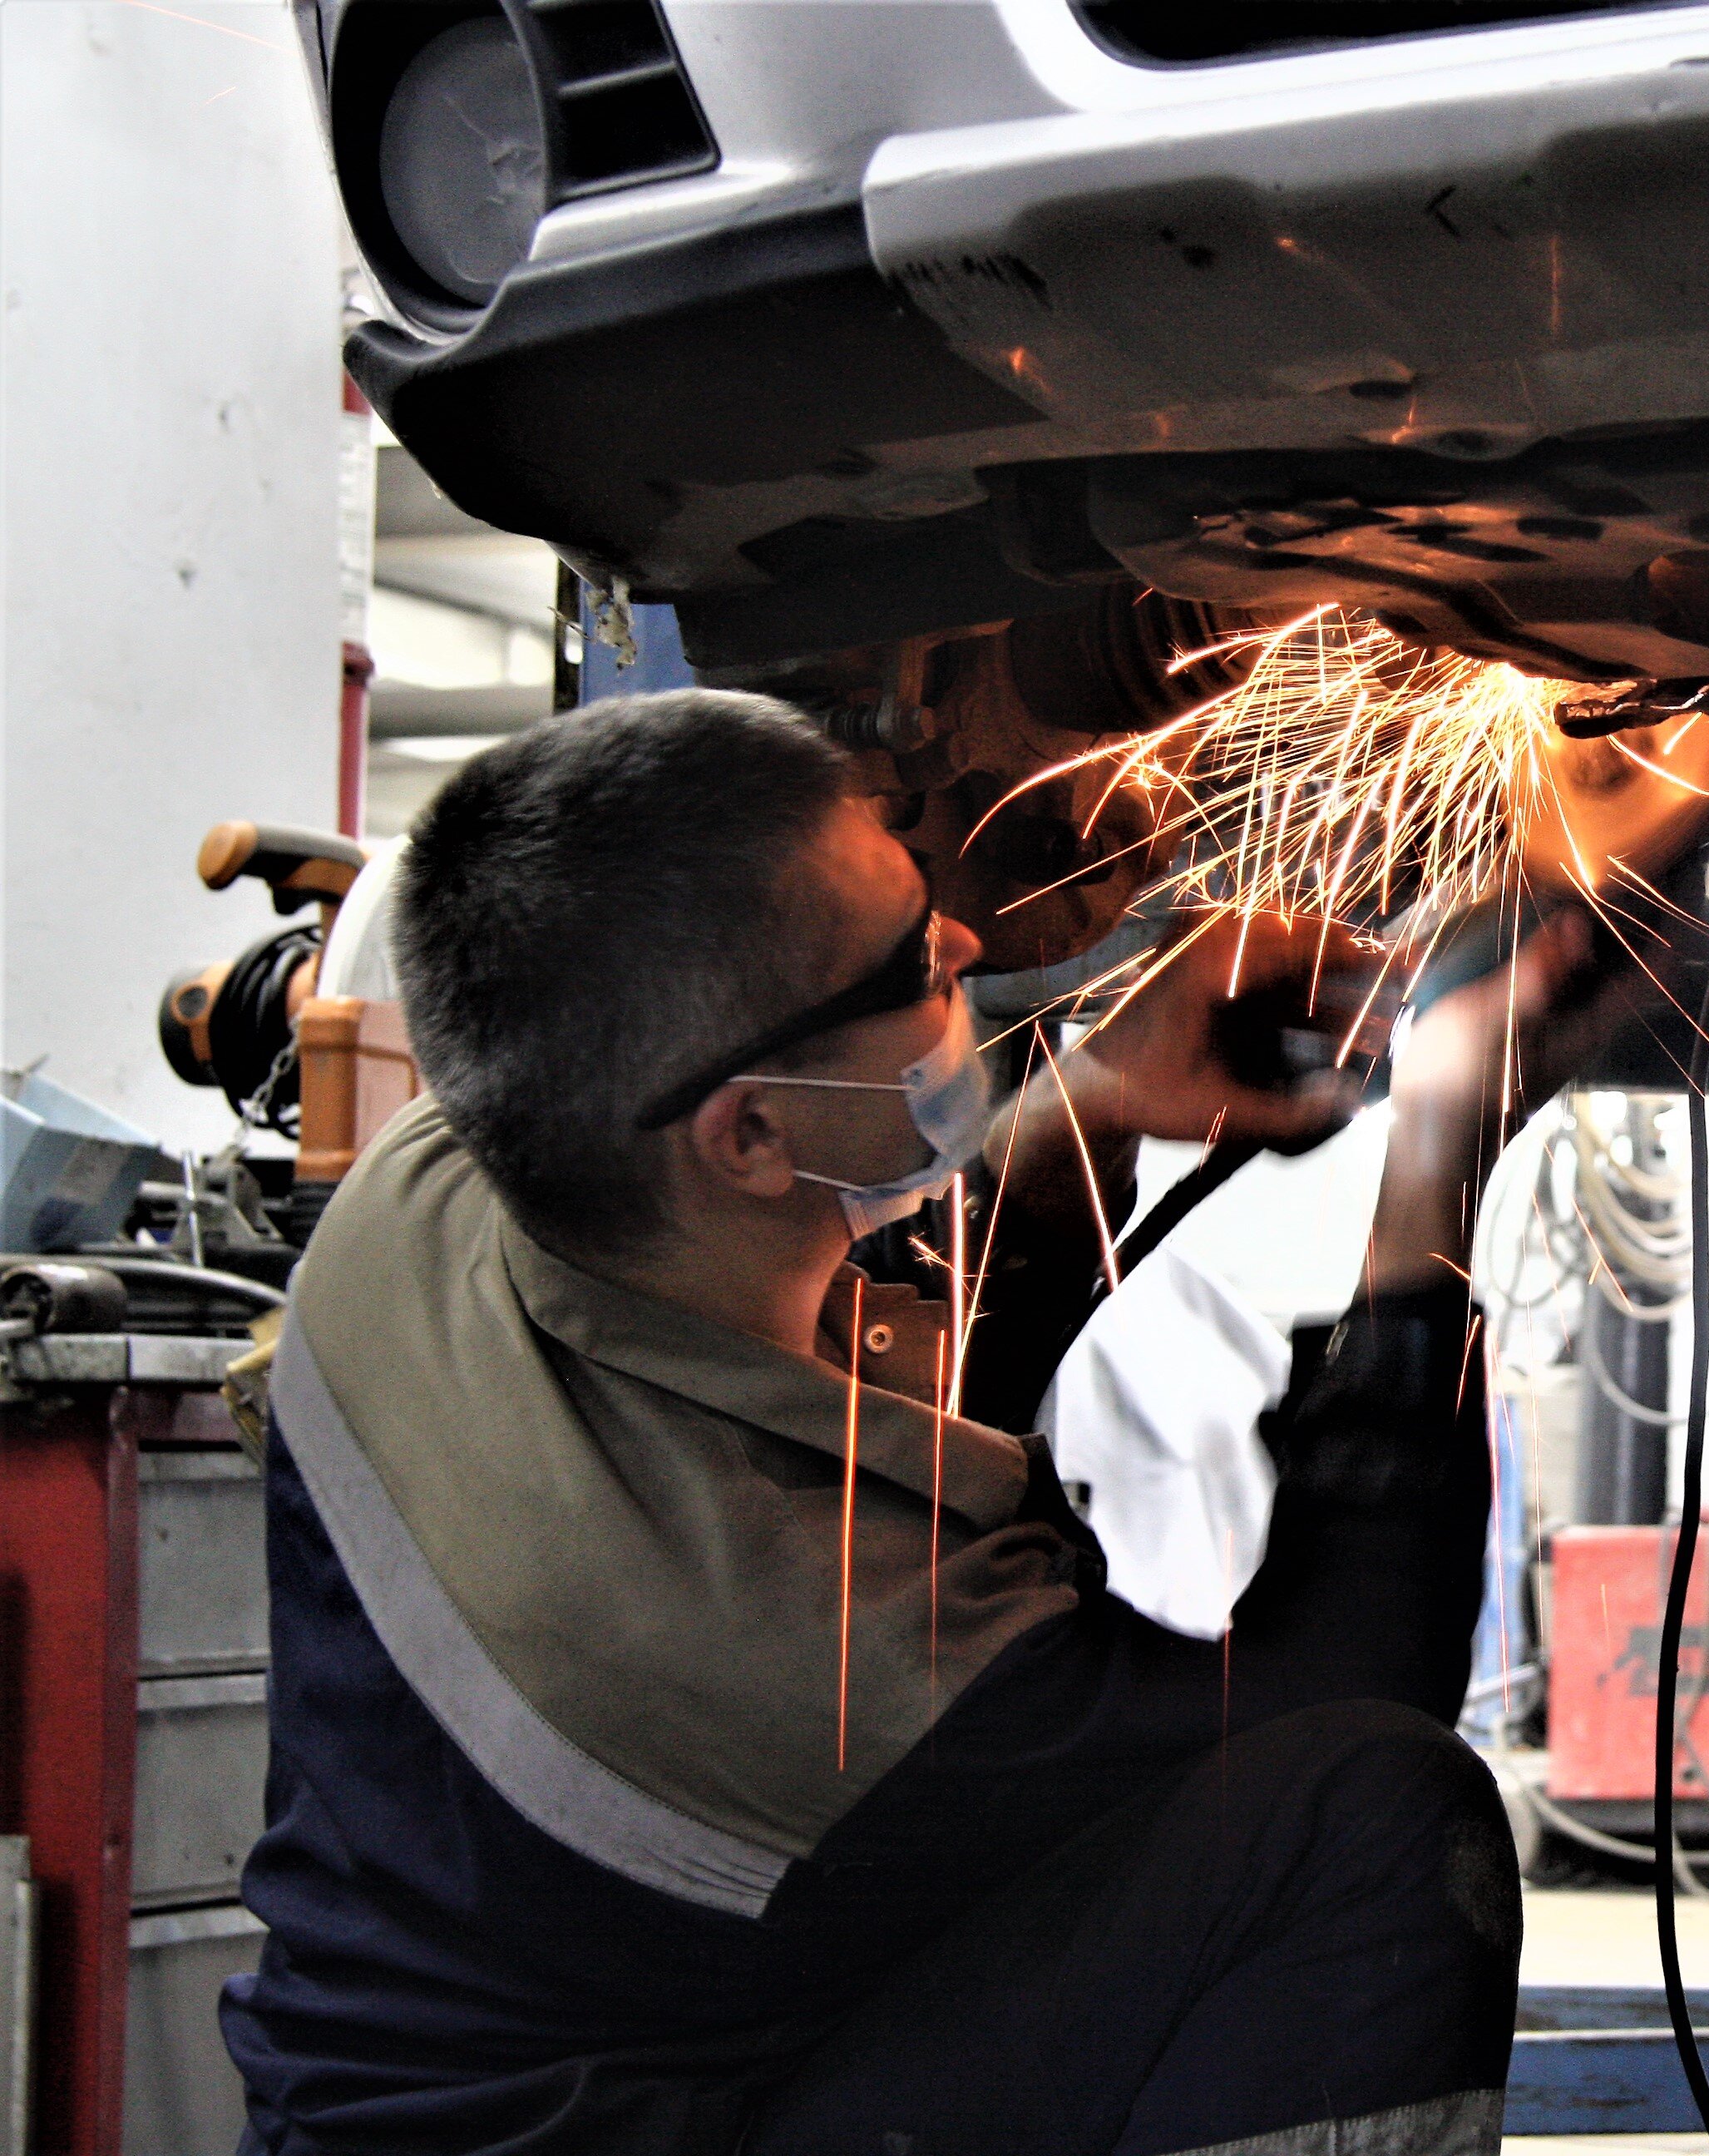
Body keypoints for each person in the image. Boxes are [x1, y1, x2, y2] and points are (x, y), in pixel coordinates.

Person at [220, 689, 1635, 2154]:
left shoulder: (429, 1189)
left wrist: (1090, 1103)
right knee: (1372, 1821)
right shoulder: (782, 1652)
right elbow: (1347, 1684)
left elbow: (859, 1354)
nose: (964, 949)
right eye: (908, 962)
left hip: (602, 2010)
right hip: (630, 2128)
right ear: (751, 1132)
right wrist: (1440, 1172)